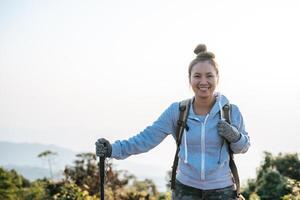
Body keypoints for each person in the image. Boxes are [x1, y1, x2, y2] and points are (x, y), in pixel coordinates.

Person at [96, 44, 250, 200]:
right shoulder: (177, 111)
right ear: (189, 79)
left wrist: (235, 136)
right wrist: (112, 149)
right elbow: (146, 139)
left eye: (209, 75)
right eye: (197, 76)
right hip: (185, 191)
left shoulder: (230, 111)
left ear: (217, 77)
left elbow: (243, 147)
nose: (203, 81)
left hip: (222, 191)